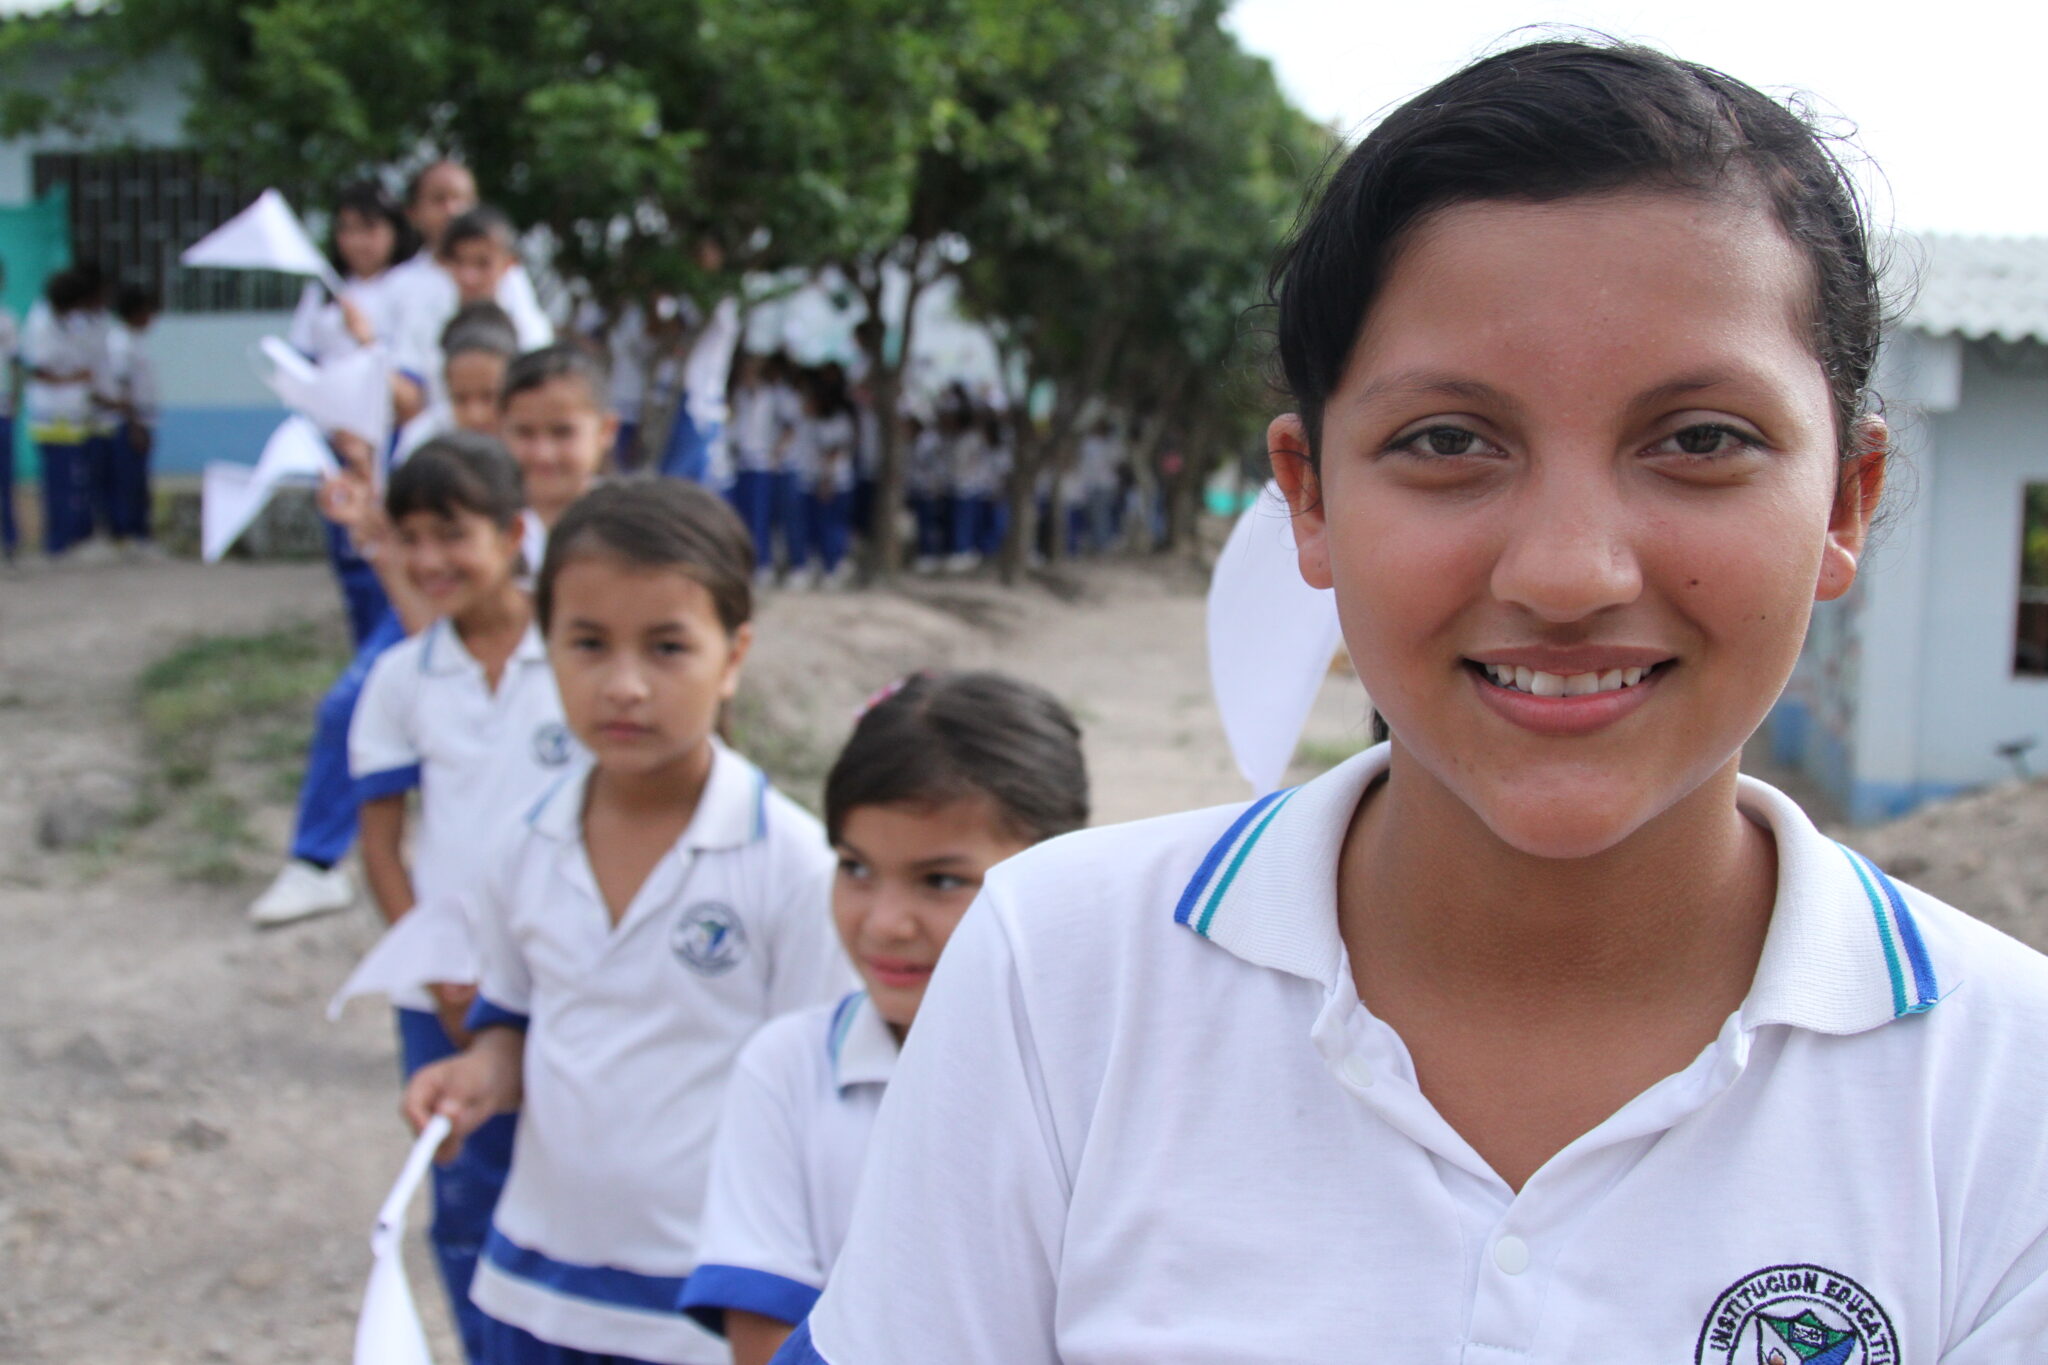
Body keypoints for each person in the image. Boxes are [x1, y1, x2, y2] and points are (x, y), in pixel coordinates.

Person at [775, 40, 2048, 1364]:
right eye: (1447, 441)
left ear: (1843, 499)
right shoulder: (1062, 974)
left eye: (1699, 441)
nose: (1567, 573)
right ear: (1308, 496)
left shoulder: (2010, 1101)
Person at [403, 479, 850, 1365]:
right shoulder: (523, 844)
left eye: (668, 646)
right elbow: (513, 1021)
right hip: (536, 1286)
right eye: (588, 644)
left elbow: (818, 1102)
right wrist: (476, 1076)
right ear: (548, 647)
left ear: (733, 655)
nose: (624, 685)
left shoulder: (793, 863)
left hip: (705, 1307)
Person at [681, 671, 1089, 1364]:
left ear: (1060, 869)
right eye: (856, 868)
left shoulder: (1103, 1079)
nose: (884, 922)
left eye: (940, 880)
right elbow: (762, 1338)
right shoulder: (789, 1072)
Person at [349, 434, 577, 1360]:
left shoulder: (574, 655)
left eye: (452, 533)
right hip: (442, 995)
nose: (429, 559)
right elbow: (380, 841)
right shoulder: (401, 679)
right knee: (466, 1193)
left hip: (562, 975)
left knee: (573, 1179)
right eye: (409, 537)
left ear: (514, 533)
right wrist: (440, 965)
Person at [248, 309, 524, 927]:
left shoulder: (535, 453)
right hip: (437, 612)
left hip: (492, 624)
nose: (476, 412)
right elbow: (412, 558)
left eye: (490, 397)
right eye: (462, 397)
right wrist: (372, 527)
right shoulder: (429, 445)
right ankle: (315, 861)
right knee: (351, 707)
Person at [498, 342, 618, 566]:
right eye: (525, 433)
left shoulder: (630, 529)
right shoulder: (487, 530)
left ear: (606, 430)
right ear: (501, 429)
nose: (542, 454)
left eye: (562, 432)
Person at [22, 267, 99, 559]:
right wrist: (76, 378)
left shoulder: (68, 321)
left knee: (74, 480)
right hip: (50, 414)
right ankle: (57, 541)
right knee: (58, 481)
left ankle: (72, 537)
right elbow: (40, 369)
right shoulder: (40, 323)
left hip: (71, 411)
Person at [104, 284, 160, 550]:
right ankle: (126, 534)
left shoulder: (134, 340)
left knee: (139, 482)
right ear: (135, 312)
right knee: (127, 482)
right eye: (148, 311)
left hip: (144, 419)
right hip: (130, 423)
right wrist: (134, 425)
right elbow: (122, 386)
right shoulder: (120, 343)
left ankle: (139, 533)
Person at [0, 257, 20, 563]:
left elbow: (16, 364)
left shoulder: (6, 321)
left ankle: (9, 544)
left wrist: (15, 398)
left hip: (1, 410)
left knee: (4, 481)